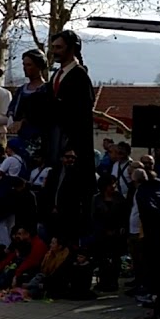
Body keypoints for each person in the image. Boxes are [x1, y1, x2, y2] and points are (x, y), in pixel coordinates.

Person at [45, 30, 96, 195]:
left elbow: (82, 115)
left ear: (71, 49)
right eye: (53, 47)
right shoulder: (56, 75)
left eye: (59, 47)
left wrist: (71, 145)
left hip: (72, 144)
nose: (55, 51)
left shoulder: (80, 77)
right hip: (56, 139)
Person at [7, 50, 51, 159]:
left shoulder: (47, 90)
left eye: (29, 65)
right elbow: (12, 109)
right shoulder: (21, 90)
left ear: (39, 66)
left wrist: (25, 121)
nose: (25, 68)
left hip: (39, 140)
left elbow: (45, 114)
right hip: (21, 137)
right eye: (24, 65)